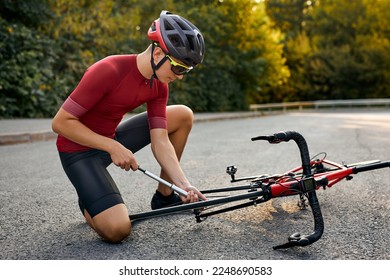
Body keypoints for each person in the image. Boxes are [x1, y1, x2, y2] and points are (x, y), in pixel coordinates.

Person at [51, 10, 207, 243]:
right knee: (118, 230)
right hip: (78, 152)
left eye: (186, 70)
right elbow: (60, 123)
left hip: (110, 139)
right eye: (178, 68)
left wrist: (183, 185)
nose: (181, 76)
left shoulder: (159, 85)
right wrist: (111, 146)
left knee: (182, 115)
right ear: (157, 53)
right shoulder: (108, 70)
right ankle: (90, 198)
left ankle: (164, 196)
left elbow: (160, 139)